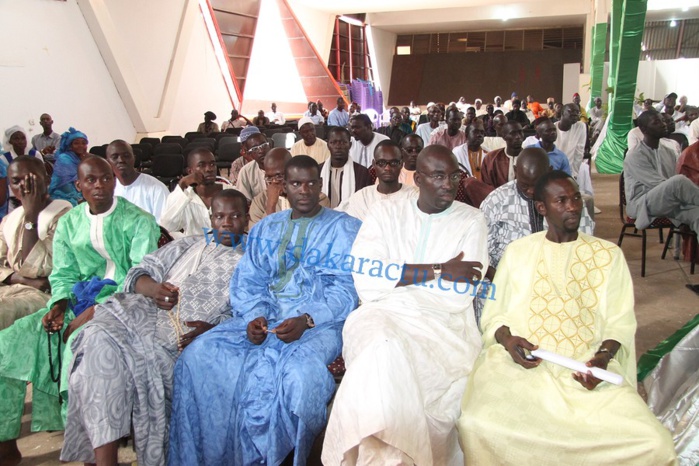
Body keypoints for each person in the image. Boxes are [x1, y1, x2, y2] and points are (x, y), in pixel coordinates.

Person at [458, 171, 677, 466]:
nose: (573, 206)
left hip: (584, 365)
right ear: (542, 208)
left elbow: (620, 321)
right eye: (561, 200)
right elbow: (495, 315)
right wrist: (508, 341)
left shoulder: (608, 255)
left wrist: (602, 358)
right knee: (476, 423)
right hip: (525, 365)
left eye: (576, 198)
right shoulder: (518, 252)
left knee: (654, 444)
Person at [169, 155, 361, 465]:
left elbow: (346, 289)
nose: (304, 190)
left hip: (322, 324)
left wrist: (307, 319)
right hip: (265, 318)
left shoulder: (345, 228)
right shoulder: (266, 228)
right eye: (296, 183)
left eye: (310, 183)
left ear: (320, 185)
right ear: (284, 186)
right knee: (198, 355)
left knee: (298, 376)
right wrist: (254, 316)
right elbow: (249, 280)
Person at [323, 144, 488, 466]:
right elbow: (367, 276)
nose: (448, 184)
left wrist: (397, 276)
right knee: (381, 352)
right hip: (380, 314)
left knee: (402, 387)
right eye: (438, 176)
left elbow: (458, 293)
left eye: (454, 176)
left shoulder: (471, 220)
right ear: (419, 179)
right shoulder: (385, 212)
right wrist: (439, 269)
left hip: (443, 325)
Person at [61, 189, 249, 466]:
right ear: (210, 219)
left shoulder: (253, 258)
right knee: (97, 343)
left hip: (180, 337)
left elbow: (251, 312)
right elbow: (139, 273)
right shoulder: (188, 245)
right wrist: (155, 289)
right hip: (142, 315)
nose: (226, 223)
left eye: (234, 216)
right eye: (219, 216)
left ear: (246, 219)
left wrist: (215, 328)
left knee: (129, 362)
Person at [0, 156, 159, 466]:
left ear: (114, 181)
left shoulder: (139, 220)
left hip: (123, 307)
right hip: (75, 303)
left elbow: (139, 277)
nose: (99, 185)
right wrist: (59, 305)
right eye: (91, 180)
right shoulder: (71, 222)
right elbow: (62, 274)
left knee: (78, 349)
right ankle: (6, 444)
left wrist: (97, 310)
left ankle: (92, 454)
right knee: (7, 345)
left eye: (106, 178)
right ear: (79, 186)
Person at [0, 157, 72, 330]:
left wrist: (31, 216)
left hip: (46, 294)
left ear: (47, 180)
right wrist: (22, 279)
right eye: (16, 181)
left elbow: (39, 269)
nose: (24, 186)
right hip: (13, 285)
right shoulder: (10, 219)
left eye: (31, 179)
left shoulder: (64, 215)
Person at [624, 109, 699, 235]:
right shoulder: (635, 155)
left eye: (663, 121)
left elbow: (672, 185)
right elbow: (660, 184)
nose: (663, 124)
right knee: (679, 181)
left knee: (697, 214)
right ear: (644, 129)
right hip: (642, 204)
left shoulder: (669, 151)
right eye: (656, 122)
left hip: (669, 201)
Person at [249, 148, 329, 229]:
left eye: (279, 176)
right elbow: (257, 235)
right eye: (269, 177)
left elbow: (313, 232)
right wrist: (271, 206)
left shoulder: (316, 198)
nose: (274, 182)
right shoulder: (259, 202)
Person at [338, 140, 418, 220]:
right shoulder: (362, 197)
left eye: (393, 163)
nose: (387, 168)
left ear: (401, 164)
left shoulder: (414, 196)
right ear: (373, 164)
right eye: (381, 163)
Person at [160, 148, 232, 237]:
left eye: (212, 164)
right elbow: (167, 226)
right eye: (202, 165)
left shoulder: (231, 193)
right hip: (195, 245)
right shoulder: (183, 197)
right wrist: (182, 184)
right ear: (190, 171)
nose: (209, 169)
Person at [106, 140, 168, 222]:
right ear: (107, 162)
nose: (121, 160)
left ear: (134, 158)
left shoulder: (157, 189)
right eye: (115, 157)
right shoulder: (106, 191)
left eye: (126, 156)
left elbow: (163, 226)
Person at [320, 126, 372, 208]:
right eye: (333, 142)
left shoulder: (362, 172)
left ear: (350, 145)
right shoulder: (318, 170)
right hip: (324, 215)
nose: (338, 146)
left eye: (343, 142)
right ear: (328, 145)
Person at [48, 127, 90, 206]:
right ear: (70, 146)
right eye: (76, 143)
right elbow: (66, 184)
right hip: (64, 194)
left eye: (84, 143)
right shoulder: (64, 158)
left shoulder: (84, 158)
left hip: (81, 192)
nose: (80, 145)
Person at [481, 121, 524, 189]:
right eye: (513, 133)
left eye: (520, 132)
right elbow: (486, 185)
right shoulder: (491, 158)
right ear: (504, 137)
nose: (518, 137)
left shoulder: (531, 158)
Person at [235, 126, 270, 202]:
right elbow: (245, 200)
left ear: (270, 145)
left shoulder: (284, 163)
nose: (261, 151)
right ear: (249, 153)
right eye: (255, 149)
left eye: (264, 145)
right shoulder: (246, 171)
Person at [555, 103, 587, 177]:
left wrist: (574, 174)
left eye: (577, 112)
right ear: (562, 113)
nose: (575, 114)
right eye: (571, 111)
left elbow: (579, 152)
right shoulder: (552, 129)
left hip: (570, 168)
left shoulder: (580, 127)